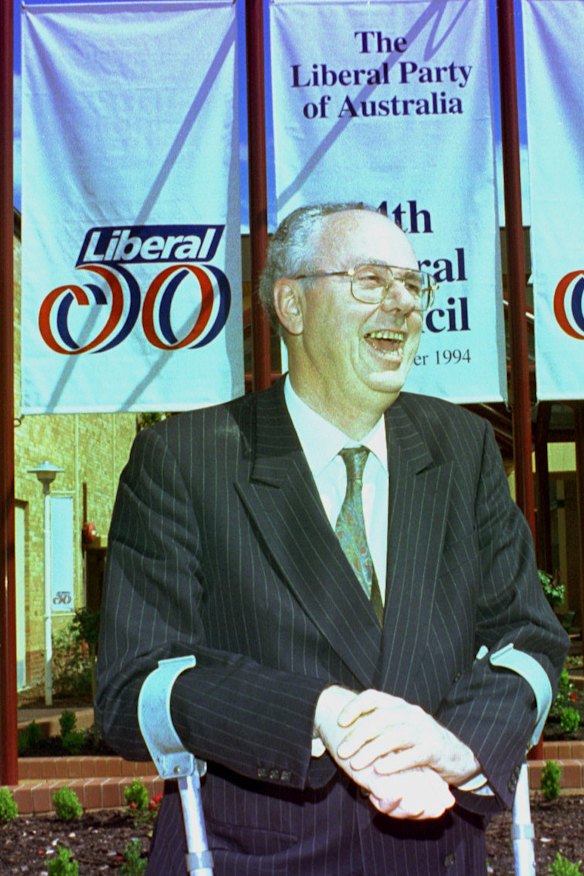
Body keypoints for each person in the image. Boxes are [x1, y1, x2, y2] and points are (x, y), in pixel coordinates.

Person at [96, 203, 568, 876]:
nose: (403, 304)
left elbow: (530, 638)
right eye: (372, 281)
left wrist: (458, 745)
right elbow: (132, 688)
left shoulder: (461, 450)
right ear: (291, 303)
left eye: (413, 285)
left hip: (438, 855)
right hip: (256, 859)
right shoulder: (185, 461)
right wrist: (316, 713)